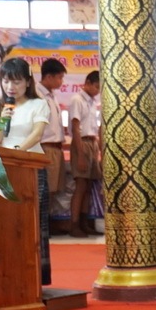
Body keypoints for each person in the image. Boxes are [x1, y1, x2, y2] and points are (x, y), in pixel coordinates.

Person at [0, 57, 52, 285]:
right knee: (4, 220)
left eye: (16, 82)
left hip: (29, 166)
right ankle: (6, 274)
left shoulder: (38, 104)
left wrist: (19, 152)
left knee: (33, 221)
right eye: (6, 81)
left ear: (28, 82)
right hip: (0, 168)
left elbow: (37, 135)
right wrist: (1, 122)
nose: (10, 87)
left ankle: (35, 277)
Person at [67, 71, 101, 238]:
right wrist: (80, 155)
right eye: (96, 87)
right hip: (81, 143)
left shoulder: (93, 102)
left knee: (88, 186)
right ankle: (74, 225)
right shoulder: (77, 99)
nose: (97, 91)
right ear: (87, 82)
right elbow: (75, 128)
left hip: (92, 143)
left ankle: (84, 223)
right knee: (80, 185)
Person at [37, 58, 68, 222]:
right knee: (43, 190)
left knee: (52, 190)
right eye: (59, 77)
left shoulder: (52, 96)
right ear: (48, 77)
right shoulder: (37, 95)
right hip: (44, 147)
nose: (61, 81)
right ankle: (39, 225)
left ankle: (45, 224)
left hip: (55, 148)